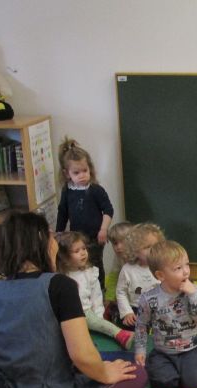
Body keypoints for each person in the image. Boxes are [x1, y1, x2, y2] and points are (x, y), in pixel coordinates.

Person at [0, 212, 147, 388]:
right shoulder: (60, 286)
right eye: (51, 235)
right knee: (137, 374)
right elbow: (81, 356)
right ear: (42, 241)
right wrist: (105, 373)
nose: (55, 241)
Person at [134, 240, 197, 388]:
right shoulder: (149, 299)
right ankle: (174, 371)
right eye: (178, 268)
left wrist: (193, 295)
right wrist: (140, 350)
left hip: (191, 349)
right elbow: (141, 325)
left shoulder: (196, 291)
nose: (186, 272)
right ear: (161, 275)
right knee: (161, 383)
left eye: (187, 264)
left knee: (193, 385)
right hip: (163, 352)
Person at [55, 231, 134, 350]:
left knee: (93, 322)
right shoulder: (60, 275)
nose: (83, 253)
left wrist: (99, 317)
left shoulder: (90, 273)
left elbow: (96, 297)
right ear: (64, 257)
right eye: (76, 251)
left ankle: (121, 335)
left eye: (84, 248)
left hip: (85, 313)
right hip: (67, 316)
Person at [55, 137, 113, 290]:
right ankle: (83, 292)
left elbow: (108, 210)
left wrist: (103, 229)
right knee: (79, 266)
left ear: (90, 169)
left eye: (85, 171)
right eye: (76, 172)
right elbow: (62, 212)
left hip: (95, 237)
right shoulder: (67, 190)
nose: (82, 175)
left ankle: (100, 291)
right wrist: (59, 232)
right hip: (77, 239)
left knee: (95, 265)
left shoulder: (95, 190)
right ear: (67, 173)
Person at [116, 222, 164, 328]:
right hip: (135, 310)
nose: (152, 250)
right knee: (131, 328)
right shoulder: (127, 270)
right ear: (135, 250)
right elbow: (121, 292)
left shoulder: (163, 266)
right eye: (147, 247)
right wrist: (127, 312)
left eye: (155, 246)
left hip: (159, 309)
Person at [103, 221, 133, 323]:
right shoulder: (118, 257)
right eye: (115, 243)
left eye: (123, 242)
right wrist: (109, 298)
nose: (118, 247)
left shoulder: (140, 258)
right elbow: (114, 277)